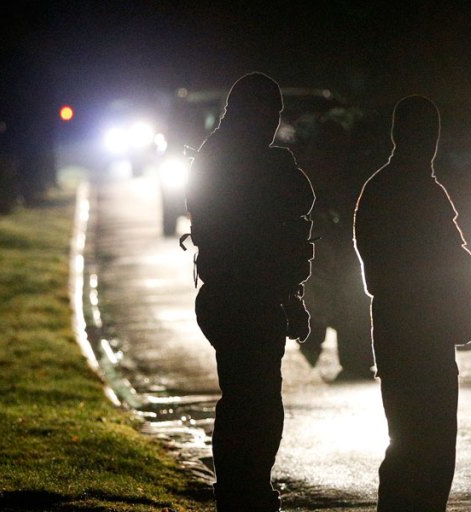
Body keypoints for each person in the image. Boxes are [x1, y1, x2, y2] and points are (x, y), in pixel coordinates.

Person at [353, 95, 471, 512]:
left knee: (414, 443)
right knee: (422, 447)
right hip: (417, 334)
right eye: (425, 133)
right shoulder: (413, 191)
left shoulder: (386, 189)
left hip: (405, 332)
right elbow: (449, 258)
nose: (429, 142)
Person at [185, 72, 315, 512]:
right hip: (240, 296)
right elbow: (287, 210)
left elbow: (295, 208)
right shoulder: (239, 160)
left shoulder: (225, 156)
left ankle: (244, 490)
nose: (272, 123)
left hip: (243, 295)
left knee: (251, 401)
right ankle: (245, 493)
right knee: (252, 403)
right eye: (269, 114)